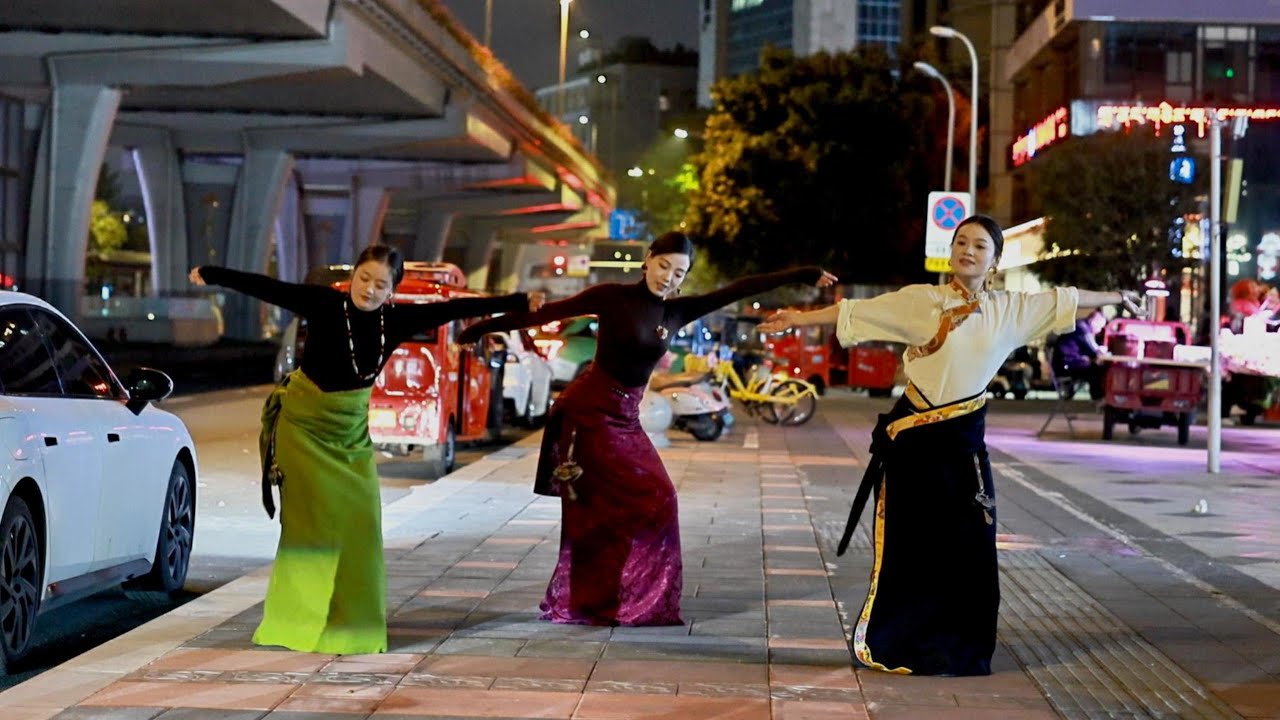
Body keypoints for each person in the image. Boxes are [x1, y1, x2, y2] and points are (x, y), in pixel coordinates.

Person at [756, 215, 1133, 676]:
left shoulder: (1010, 310)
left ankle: (960, 650)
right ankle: (904, 643)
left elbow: (1066, 300)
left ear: (995, 260)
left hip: (963, 446)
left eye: (979, 245)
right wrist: (798, 318)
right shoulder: (923, 302)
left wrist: (1118, 296)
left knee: (973, 547)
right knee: (912, 549)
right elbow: (858, 312)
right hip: (914, 442)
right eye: (961, 242)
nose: (967, 250)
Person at [458, 231, 836, 626]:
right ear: (648, 260)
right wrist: (481, 328)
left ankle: (628, 599)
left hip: (627, 417)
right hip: (590, 414)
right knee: (637, 501)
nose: (669, 278)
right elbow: (546, 314)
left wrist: (805, 274)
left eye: (679, 273)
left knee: (651, 501)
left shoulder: (676, 312)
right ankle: (599, 601)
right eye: (663, 266)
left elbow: (740, 288)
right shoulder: (612, 296)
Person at [189, 245, 540, 655]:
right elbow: (269, 287)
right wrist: (212, 273)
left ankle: (353, 624)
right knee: (310, 528)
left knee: (362, 524)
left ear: (392, 290)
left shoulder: (397, 320)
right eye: (364, 279)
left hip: (350, 432)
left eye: (380, 284)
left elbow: (454, 308)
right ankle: (296, 619)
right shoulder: (324, 303)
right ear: (353, 276)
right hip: (303, 428)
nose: (369, 290)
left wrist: (518, 301)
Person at [1051, 307, 1108, 400]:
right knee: (1098, 370)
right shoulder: (1082, 328)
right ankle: (1099, 399)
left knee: (1096, 368)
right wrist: (1102, 351)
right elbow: (1094, 351)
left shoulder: (1080, 326)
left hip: (1064, 364)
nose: (1100, 330)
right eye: (1100, 326)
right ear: (1095, 321)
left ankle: (1099, 399)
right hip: (1067, 366)